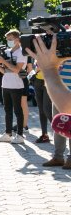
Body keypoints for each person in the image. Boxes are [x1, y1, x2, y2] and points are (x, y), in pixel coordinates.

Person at [29, 35, 71, 167]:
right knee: (58, 124)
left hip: (64, 90)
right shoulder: (57, 49)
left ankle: (70, 158)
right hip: (58, 89)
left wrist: (49, 70)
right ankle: (58, 157)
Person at [0, 30, 26, 144]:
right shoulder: (6, 51)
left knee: (17, 110)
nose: (8, 41)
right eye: (7, 39)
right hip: (5, 84)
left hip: (16, 85)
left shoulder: (22, 52)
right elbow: (4, 71)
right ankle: (7, 134)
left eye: (10, 39)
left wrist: (3, 61)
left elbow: (17, 70)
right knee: (7, 110)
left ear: (17, 39)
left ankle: (20, 135)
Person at [30, 60, 51, 143]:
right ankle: (44, 135)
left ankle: (59, 133)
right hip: (37, 81)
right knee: (41, 109)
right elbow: (35, 66)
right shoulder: (37, 52)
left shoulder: (51, 50)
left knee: (47, 109)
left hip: (48, 81)